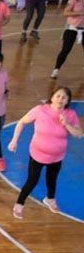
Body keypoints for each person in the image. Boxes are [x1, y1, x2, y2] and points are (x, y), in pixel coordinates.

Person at [9, 87, 82, 219]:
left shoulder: (70, 115)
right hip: (38, 154)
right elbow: (21, 122)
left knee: (52, 179)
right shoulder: (40, 110)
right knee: (32, 180)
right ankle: (19, 204)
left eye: (64, 97)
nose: (60, 99)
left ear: (68, 101)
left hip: (56, 156)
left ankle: (50, 199)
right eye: (58, 96)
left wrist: (67, 125)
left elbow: (79, 134)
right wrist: (14, 141)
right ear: (52, 97)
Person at [51, 0, 84, 79]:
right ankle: (56, 69)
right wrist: (80, 13)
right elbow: (65, 13)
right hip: (72, 28)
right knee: (65, 50)